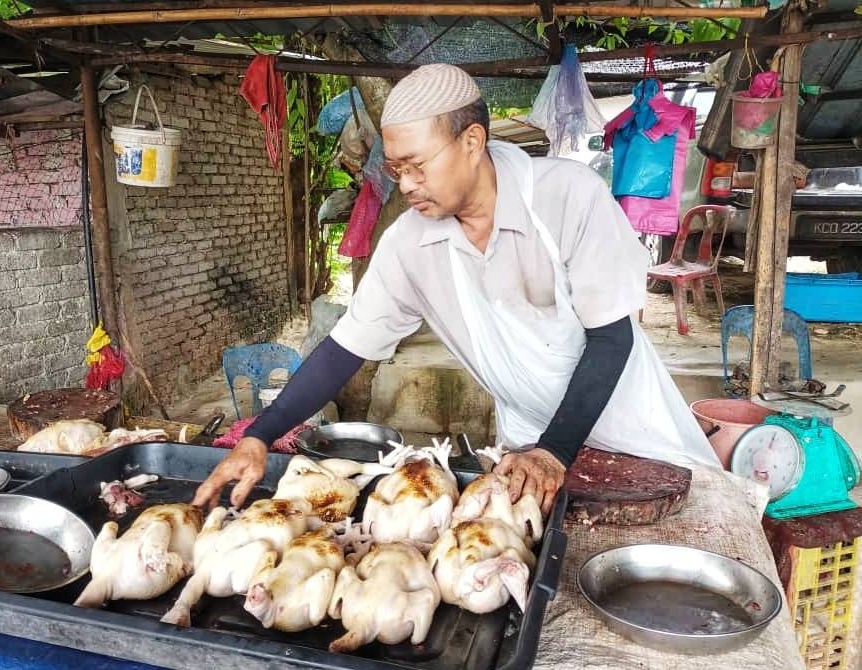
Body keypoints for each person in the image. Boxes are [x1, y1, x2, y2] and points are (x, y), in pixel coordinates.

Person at [192, 63, 720, 516]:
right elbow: (344, 348)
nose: (405, 184)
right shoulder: (409, 244)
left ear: (472, 142)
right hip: (528, 443)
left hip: (630, 432)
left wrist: (555, 451)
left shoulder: (567, 197)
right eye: (397, 169)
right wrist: (261, 434)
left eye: (417, 165)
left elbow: (612, 339)